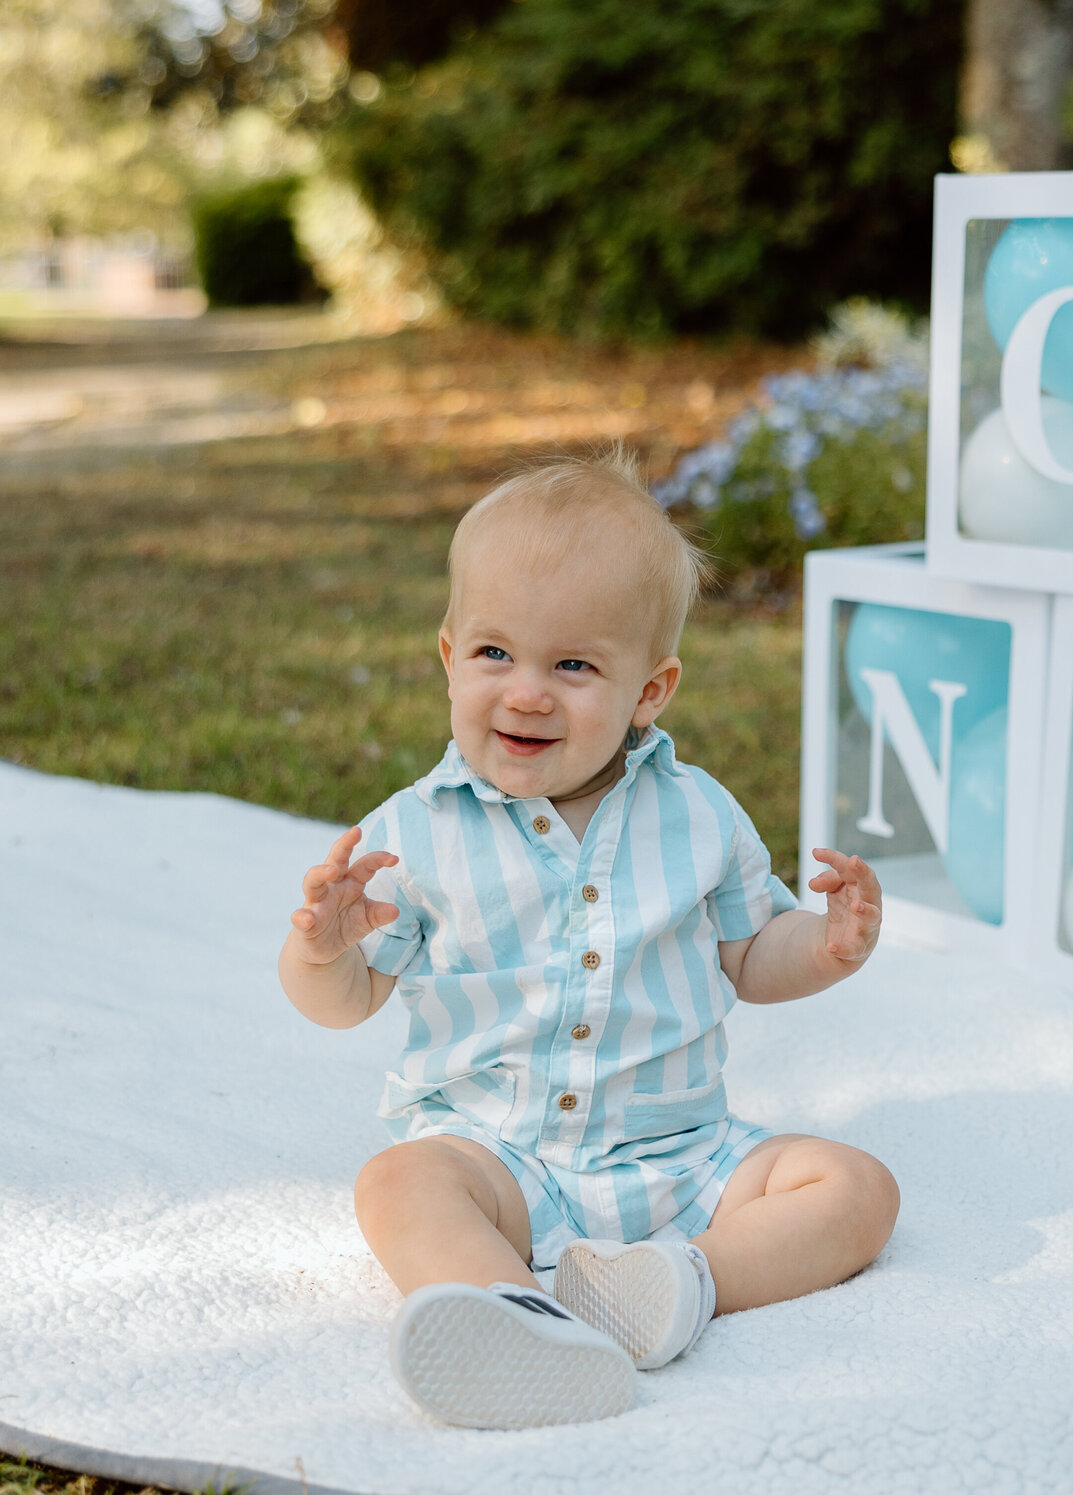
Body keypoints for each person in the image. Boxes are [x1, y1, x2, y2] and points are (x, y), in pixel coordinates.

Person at [278, 447, 898, 1430]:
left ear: (650, 691)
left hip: (683, 1156)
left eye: (573, 665)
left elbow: (749, 957)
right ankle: (513, 1316)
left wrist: (826, 944)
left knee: (856, 1189)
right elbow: (344, 1002)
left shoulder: (700, 817)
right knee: (400, 1180)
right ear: (449, 656)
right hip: (501, 1158)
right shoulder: (416, 829)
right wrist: (323, 949)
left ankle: (679, 1285)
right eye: (496, 655)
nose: (527, 693)